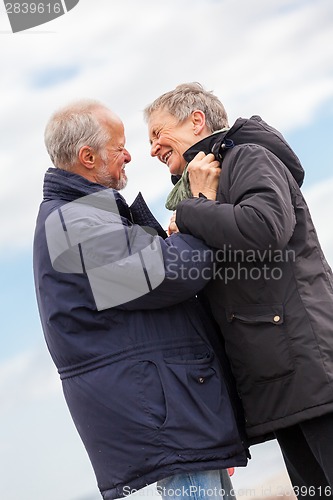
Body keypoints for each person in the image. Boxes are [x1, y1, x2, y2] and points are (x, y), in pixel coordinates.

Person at [33, 99, 248, 500]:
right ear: (87, 156)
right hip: (168, 416)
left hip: (174, 411)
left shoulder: (81, 216)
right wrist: (199, 205)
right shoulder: (75, 222)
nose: (131, 155)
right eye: (119, 147)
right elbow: (174, 275)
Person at [145, 82, 333, 498]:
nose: (152, 147)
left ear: (196, 121)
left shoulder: (248, 156)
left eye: (158, 133)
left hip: (309, 367)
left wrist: (195, 210)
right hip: (277, 378)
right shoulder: (204, 187)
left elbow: (265, 229)